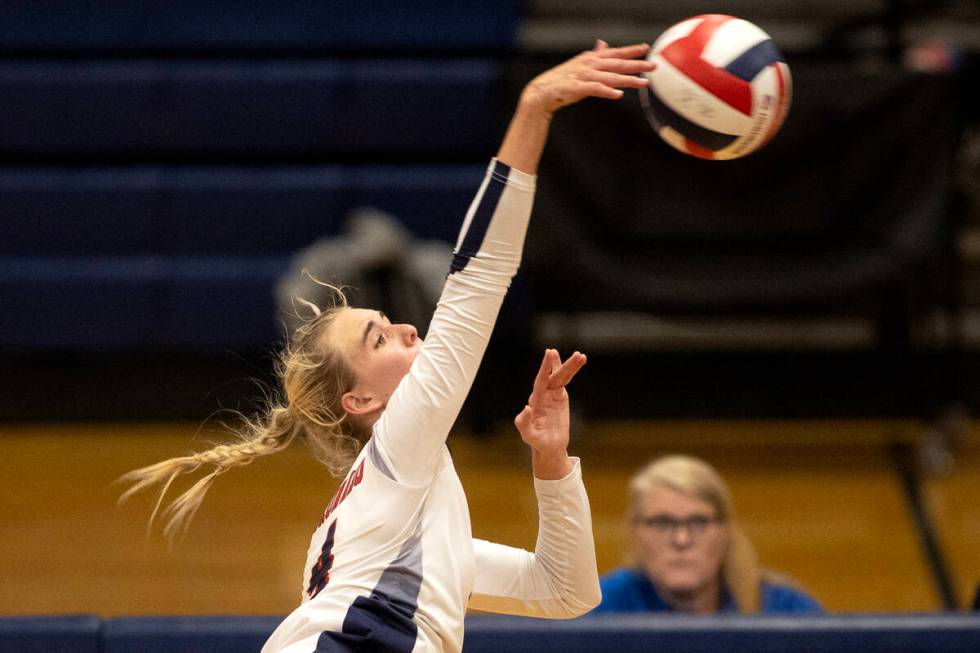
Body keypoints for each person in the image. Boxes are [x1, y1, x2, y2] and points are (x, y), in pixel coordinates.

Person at [119, 42, 656, 652]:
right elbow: (475, 285)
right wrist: (533, 109)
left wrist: (551, 463)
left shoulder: (401, 508)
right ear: (360, 400)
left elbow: (564, 589)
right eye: (379, 337)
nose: (406, 328)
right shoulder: (394, 454)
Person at [592, 454, 822, 615]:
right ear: (635, 531)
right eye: (662, 523)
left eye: (698, 522)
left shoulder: (785, 613)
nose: (681, 540)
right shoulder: (600, 610)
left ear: (725, 531)